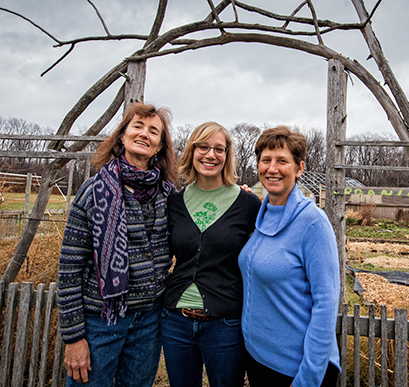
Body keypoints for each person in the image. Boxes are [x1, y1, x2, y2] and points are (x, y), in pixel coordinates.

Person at [57, 102, 177, 386]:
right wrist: (74, 337)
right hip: (100, 320)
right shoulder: (94, 190)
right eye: (137, 126)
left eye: (153, 131)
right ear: (122, 136)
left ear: (159, 146)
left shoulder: (169, 194)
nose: (144, 134)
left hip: (148, 321)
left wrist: (239, 195)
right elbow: (69, 269)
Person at [239, 126, 341, 387]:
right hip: (260, 359)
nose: (272, 168)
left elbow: (326, 304)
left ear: (299, 168)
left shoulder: (312, 223)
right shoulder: (263, 213)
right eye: (266, 160)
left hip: (295, 368)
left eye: (282, 161)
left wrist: (308, 377)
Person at [161, 121, 261, 387]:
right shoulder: (174, 202)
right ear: (192, 152)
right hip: (175, 323)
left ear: (227, 156)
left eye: (219, 149)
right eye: (203, 147)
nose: (210, 155)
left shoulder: (248, 203)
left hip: (225, 325)